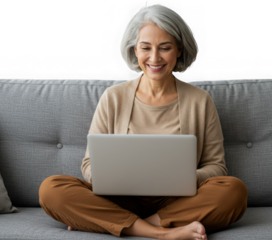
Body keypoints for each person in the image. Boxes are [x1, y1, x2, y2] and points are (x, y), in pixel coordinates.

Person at [38, 2, 248, 240]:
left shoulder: (200, 101)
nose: (154, 58)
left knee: (234, 191)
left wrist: (194, 177)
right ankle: (163, 233)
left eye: (165, 48)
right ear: (135, 50)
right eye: (145, 47)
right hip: (121, 200)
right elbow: (89, 166)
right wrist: (112, 178)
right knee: (51, 190)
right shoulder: (113, 97)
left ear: (179, 49)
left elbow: (217, 167)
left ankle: (122, 224)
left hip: (179, 201)